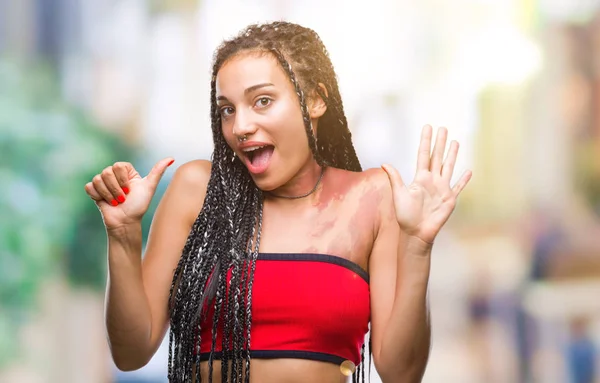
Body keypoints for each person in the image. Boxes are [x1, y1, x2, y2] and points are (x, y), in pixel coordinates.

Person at [84, 21, 472, 383]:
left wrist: (418, 246)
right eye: (227, 109)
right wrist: (122, 234)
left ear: (316, 101)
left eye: (263, 101)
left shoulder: (371, 196)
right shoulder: (196, 189)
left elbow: (401, 373)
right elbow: (131, 352)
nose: (240, 126)